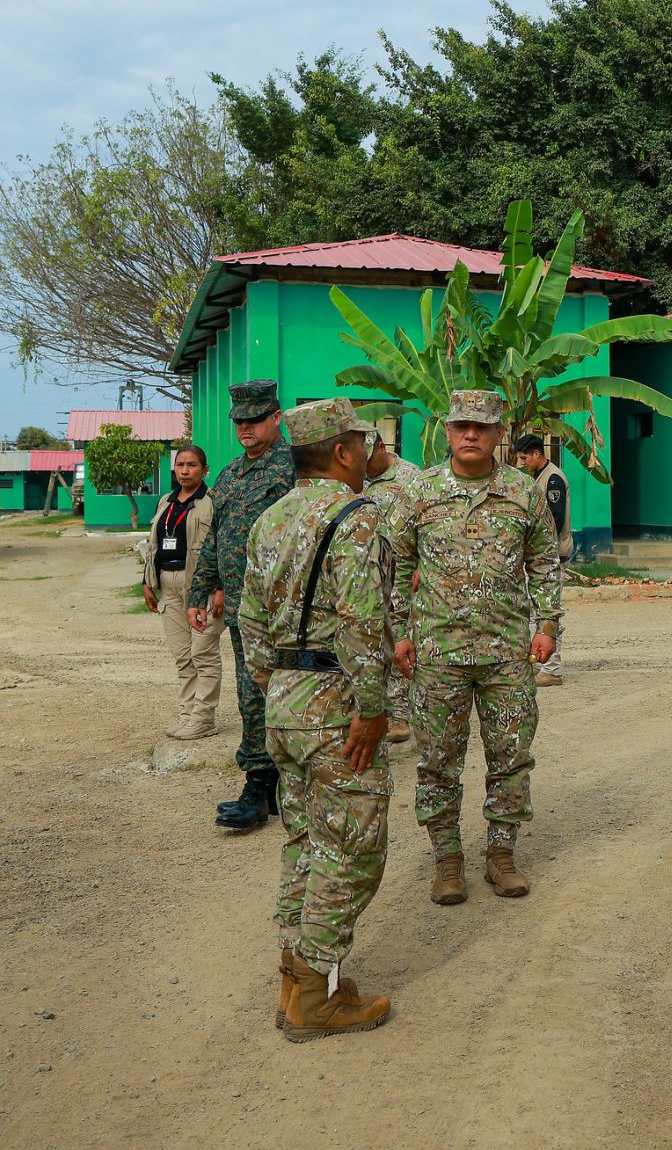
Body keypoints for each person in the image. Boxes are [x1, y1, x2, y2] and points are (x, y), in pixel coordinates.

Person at [236, 398, 393, 1041]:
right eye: (360, 443)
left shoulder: (268, 519)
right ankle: (319, 994)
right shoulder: (355, 518)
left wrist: (278, 689)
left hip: (285, 700)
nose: (364, 454)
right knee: (354, 844)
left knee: (304, 837)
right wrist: (374, 709)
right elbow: (363, 622)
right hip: (334, 699)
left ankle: (297, 978)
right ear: (341, 452)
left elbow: (247, 621)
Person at [390, 390, 561, 905]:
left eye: (481, 427)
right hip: (438, 654)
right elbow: (397, 565)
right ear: (447, 430)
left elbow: (544, 561)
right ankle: (447, 859)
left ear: (498, 433)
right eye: (462, 425)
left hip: (507, 652)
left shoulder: (522, 492)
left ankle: (501, 854)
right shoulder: (420, 492)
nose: (471, 434)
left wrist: (548, 623)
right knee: (438, 761)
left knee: (510, 756)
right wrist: (400, 631)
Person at [188, 379, 296, 832]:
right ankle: (259, 784)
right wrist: (200, 589)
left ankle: (297, 782)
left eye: (254, 419)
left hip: (289, 609)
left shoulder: (296, 467)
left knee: (293, 691)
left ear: (276, 417)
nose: (245, 428)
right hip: (242, 611)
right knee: (252, 694)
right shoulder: (230, 475)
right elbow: (216, 537)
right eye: (239, 421)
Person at [144, 445, 222, 741]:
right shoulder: (166, 501)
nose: (185, 470)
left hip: (200, 586)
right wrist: (147, 582)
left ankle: (204, 718)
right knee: (182, 655)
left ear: (205, 470)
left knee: (202, 652)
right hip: (168, 584)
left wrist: (219, 588)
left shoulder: (212, 501)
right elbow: (153, 543)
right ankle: (187, 714)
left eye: (192, 465)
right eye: (180, 465)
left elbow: (221, 549)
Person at [362, 429, 419, 743]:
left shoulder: (412, 478)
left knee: (399, 641)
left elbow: (427, 523)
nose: (365, 463)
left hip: (401, 574)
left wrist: (422, 564)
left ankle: (399, 716)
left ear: (382, 447)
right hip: (366, 575)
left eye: (369, 456)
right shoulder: (357, 482)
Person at [513, 433, 572, 688]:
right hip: (540, 554)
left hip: (552, 554)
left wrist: (538, 547)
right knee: (535, 608)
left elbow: (553, 519)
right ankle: (539, 661)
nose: (522, 463)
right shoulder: (538, 477)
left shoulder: (553, 478)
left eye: (525, 458)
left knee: (548, 609)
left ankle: (551, 669)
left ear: (537, 454)